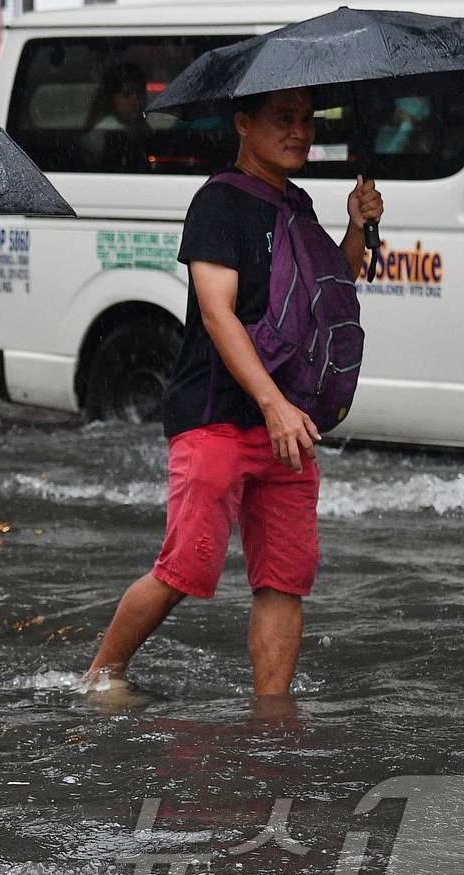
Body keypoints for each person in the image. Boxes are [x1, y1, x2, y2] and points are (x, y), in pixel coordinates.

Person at [83, 88, 384, 696]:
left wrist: (357, 228)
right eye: (284, 120)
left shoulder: (295, 204)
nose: (300, 132)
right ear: (243, 124)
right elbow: (218, 316)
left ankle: (271, 718)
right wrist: (272, 405)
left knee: (284, 578)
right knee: (184, 567)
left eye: (307, 120)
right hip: (217, 415)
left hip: (288, 422)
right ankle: (101, 675)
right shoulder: (218, 203)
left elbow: (328, 287)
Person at [81, 62, 150, 171]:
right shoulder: (101, 134)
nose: (136, 100)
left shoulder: (142, 128)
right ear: (111, 99)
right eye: (127, 94)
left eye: (140, 92)